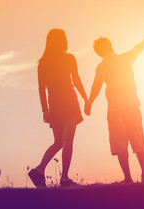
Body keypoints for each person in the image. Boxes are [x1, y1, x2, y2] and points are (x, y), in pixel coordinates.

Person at [85, 36, 144, 183]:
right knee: (139, 139)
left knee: (120, 143)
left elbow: (96, 86)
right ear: (110, 46)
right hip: (132, 105)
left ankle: (128, 178)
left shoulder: (102, 66)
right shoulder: (125, 58)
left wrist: (89, 102)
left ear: (99, 52)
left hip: (115, 109)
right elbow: (137, 49)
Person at [28, 29, 88, 188]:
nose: (67, 42)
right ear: (59, 41)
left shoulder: (43, 63)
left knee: (60, 142)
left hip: (54, 104)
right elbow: (76, 80)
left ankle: (38, 171)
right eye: (65, 39)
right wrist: (84, 96)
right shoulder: (68, 58)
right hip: (68, 102)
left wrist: (45, 110)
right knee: (66, 141)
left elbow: (42, 89)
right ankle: (65, 179)